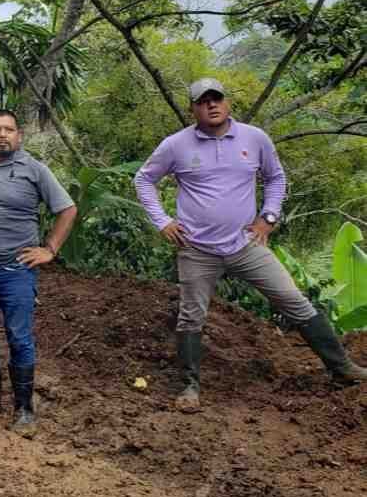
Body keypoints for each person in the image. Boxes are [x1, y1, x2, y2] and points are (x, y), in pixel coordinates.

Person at [134, 77, 367, 413]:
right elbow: (144, 179)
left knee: (294, 301)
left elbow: (276, 177)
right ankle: (189, 385)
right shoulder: (176, 145)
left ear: (227, 103)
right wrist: (163, 221)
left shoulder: (254, 138)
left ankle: (342, 368)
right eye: (203, 101)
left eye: (216, 99)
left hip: (246, 244)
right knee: (191, 317)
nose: (211, 105)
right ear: (193, 108)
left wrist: (268, 217)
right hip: (197, 248)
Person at [0, 109, 78, 436]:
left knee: (19, 338)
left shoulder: (33, 170)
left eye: (9, 130)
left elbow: (67, 208)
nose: (2, 135)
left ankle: (24, 410)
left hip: (16, 271)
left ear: (19, 136)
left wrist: (50, 249)